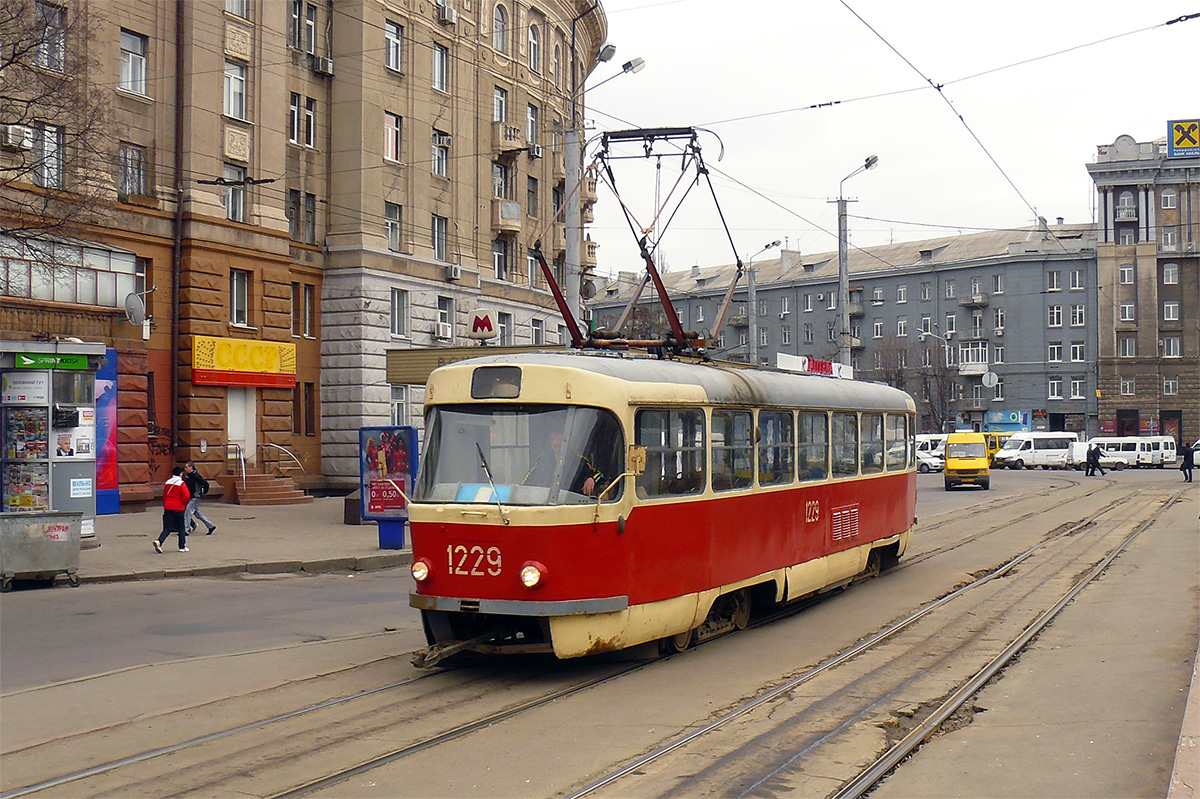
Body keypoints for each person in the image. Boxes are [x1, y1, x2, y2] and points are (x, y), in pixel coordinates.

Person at [155, 466, 191, 553]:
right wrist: (183, 504)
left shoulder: (167, 482)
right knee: (181, 527)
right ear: (180, 474)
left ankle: (159, 541)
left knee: (168, 527)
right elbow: (187, 496)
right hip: (178, 507)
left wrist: (166, 504)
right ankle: (182, 547)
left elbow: (165, 496)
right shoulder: (181, 483)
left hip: (168, 507)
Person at [183, 461, 217, 535]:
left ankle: (186, 529)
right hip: (191, 496)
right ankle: (210, 526)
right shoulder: (188, 476)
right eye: (185, 467)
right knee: (197, 514)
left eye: (187, 467)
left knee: (187, 512)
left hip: (195, 497)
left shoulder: (196, 476)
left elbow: (205, 484)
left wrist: (204, 493)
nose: (185, 469)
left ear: (191, 467)